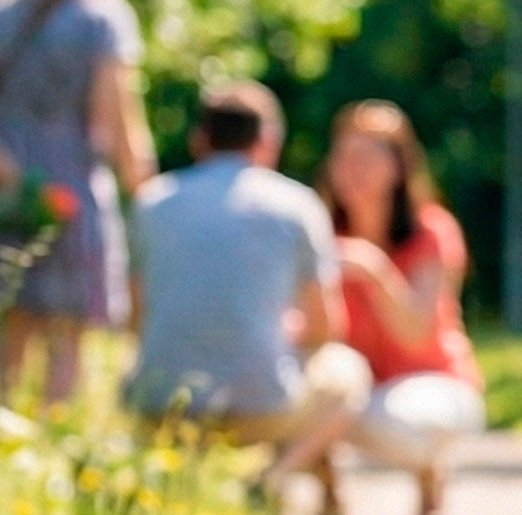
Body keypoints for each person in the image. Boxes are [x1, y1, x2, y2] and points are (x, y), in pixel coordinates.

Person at [124, 82, 371, 488]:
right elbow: (327, 326)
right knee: (348, 371)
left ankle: (176, 489)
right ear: (268, 141)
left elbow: (136, 318)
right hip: (260, 411)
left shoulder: (152, 201)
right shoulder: (298, 205)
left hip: (160, 405)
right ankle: (270, 480)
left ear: (200, 139)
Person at [0, 0, 156, 404]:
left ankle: (3, 434)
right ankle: (51, 435)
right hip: (72, 188)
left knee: (13, 327)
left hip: (7, 186)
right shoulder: (102, 17)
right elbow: (113, 117)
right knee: (68, 335)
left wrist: (12, 174)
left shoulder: (2, 9)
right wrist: (143, 182)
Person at [313, 100, 484, 515]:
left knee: (387, 420)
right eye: (343, 156)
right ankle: (329, 494)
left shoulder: (432, 231)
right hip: (357, 384)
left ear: (398, 167)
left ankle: (429, 467)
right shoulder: (318, 233)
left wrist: (375, 271)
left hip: (432, 382)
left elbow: (415, 334)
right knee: (301, 393)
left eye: (366, 157)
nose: (351, 169)